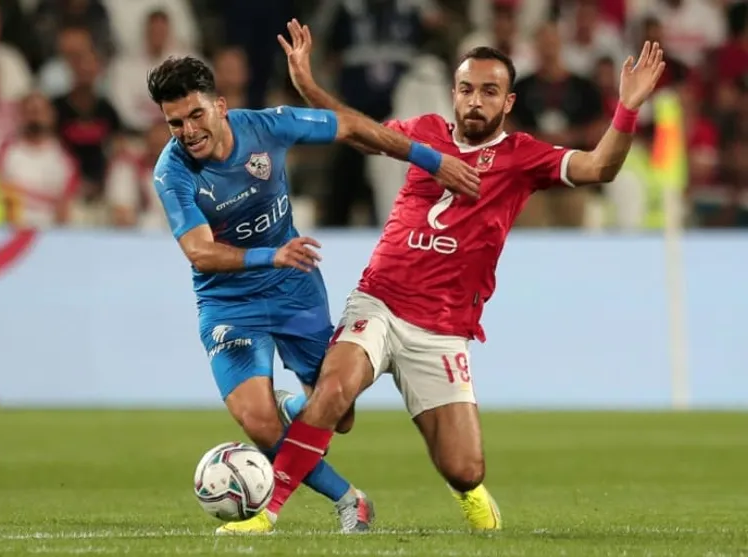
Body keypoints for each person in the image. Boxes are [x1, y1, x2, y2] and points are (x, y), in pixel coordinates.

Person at [220, 20, 666, 534]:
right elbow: (357, 130)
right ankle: (267, 512)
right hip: (379, 301)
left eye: (489, 92)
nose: (475, 101)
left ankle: (466, 490)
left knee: (464, 467)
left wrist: (627, 107)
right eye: (467, 89)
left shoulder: (522, 156)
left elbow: (599, 168)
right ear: (454, 92)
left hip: (442, 328)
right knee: (336, 391)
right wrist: (308, 84)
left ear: (508, 102)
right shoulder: (425, 132)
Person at [146, 55, 480, 535]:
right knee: (258, 422)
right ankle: (350, 500)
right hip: (229, 303)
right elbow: (199, 252)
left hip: (294, 289)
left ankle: (292, 409)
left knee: (339, 417)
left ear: (220, 106)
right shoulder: (172, 171)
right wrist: (271, 255)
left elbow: (351, 126)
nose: (188, 131)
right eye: (175, 123)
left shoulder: (267, 127)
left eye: (196, 115)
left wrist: (434, 160)